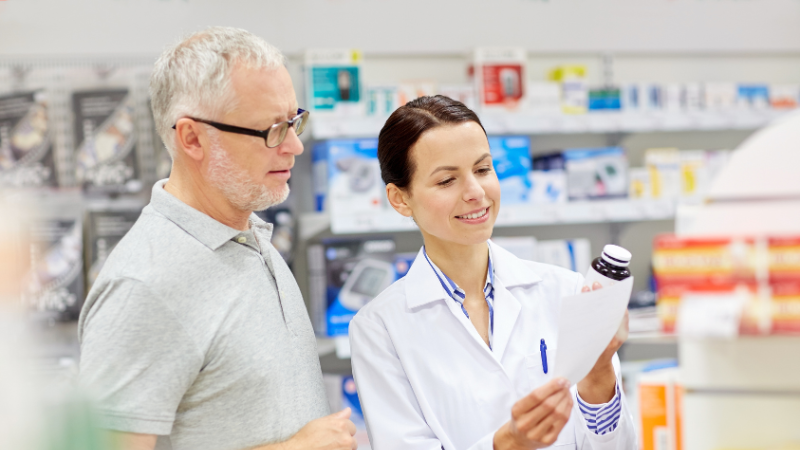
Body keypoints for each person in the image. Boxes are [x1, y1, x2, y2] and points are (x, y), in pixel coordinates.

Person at [78, 27, 357, 450]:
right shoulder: (145, 285)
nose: (296, 146)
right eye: (273, 130)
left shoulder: (251, 235)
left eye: (295, 120)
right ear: (192, 138)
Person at [349, 96, 636, 450]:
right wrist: (507, 444)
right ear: (400, 199)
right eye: (446, 181)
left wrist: (599, 374)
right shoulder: (380, 328)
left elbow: (617, 445)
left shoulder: (565, 290)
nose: (475, 192)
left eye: (483, 170)